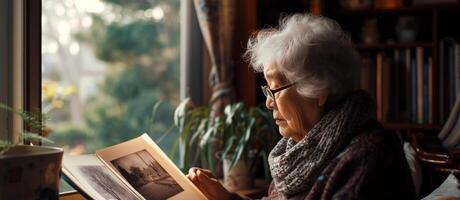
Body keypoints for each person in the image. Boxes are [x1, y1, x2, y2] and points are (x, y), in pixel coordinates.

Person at [187, 13, 416, 200]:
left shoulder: (368, 159)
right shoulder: (301, 150)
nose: (268, 102)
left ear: (319, 89)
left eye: (275, 89)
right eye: (267, 90)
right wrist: (225, 198)